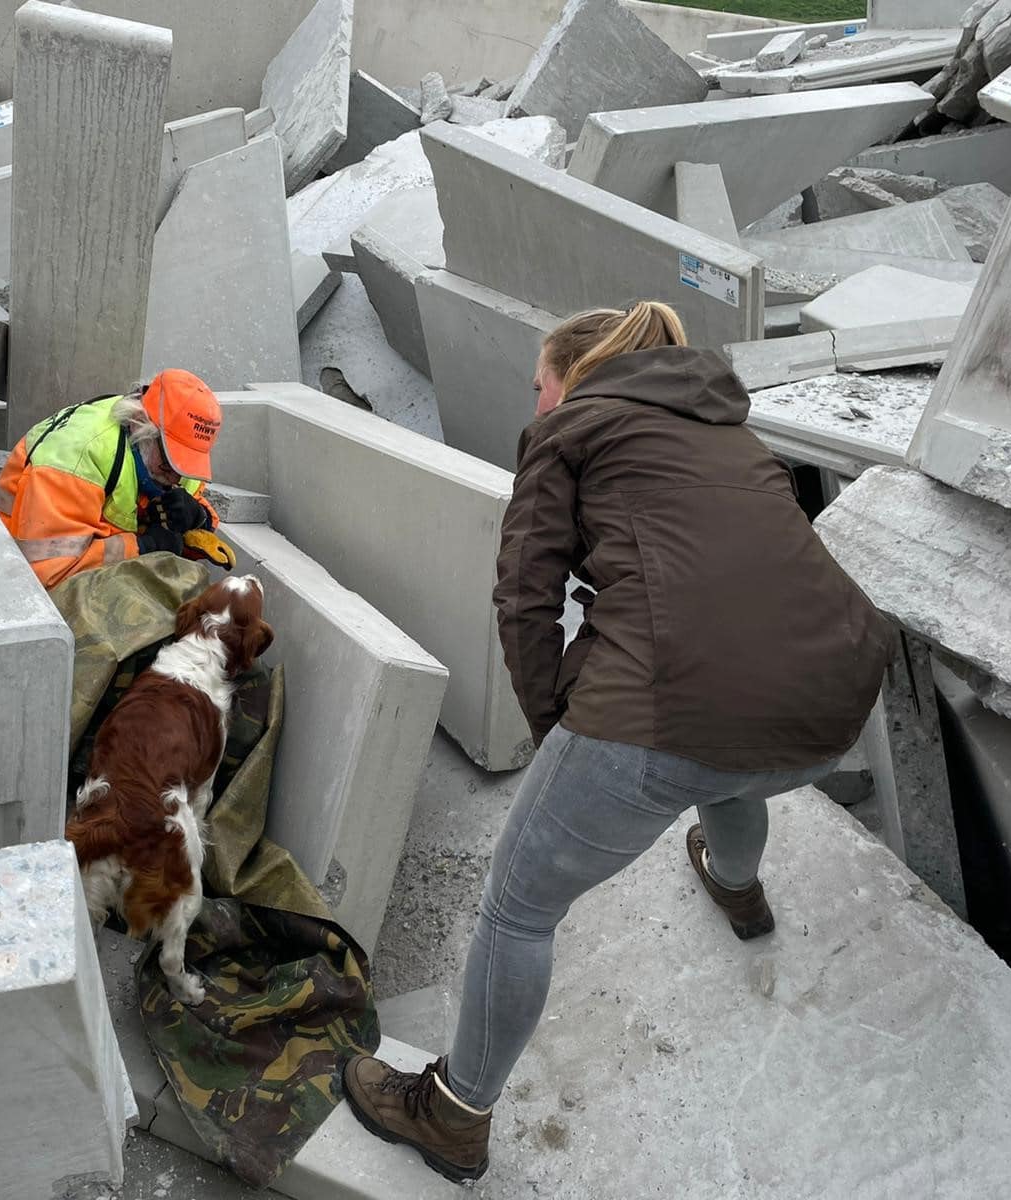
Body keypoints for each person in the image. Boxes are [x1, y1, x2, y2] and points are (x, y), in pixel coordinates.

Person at [340, 302, 891, 1182]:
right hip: (832, 708)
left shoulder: (572, 430)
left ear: (572, 375)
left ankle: (451, 1113)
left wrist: (563, 733)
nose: (535, 404)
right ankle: (738, 887)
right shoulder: (733, 435)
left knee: (518, 906)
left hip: (666, 707)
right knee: (728, 763)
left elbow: (525, 595)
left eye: (538, 386)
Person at [0, 368, 232, 589]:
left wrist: (199, 520)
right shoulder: (78, 457)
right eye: (170, 461)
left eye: (186, 463)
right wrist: (144, 546)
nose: (177, 475)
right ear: (140, 426)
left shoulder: (167, 458)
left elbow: (187, 510)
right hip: (16, 573)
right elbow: (49, 573)